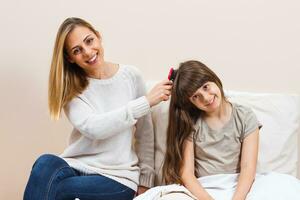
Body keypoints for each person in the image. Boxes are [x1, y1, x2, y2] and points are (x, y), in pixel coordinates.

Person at [23, 17, 172, 200]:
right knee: (45, 163)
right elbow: (94, 128)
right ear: (70, 58)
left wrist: (145, 182)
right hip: (77, 166)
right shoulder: (72, 90)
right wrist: (145, 102)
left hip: (117, 177)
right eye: (77, 50)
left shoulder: (131, 76)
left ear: (98, 37)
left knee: (59, 188)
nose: (87, 52)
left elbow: (145, 134)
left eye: (89, 41)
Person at [162, 60, 261, 200]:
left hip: (239, 186)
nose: (206, 98)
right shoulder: (192, 124)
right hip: (205, 189)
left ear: (213, 78)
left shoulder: (245, 117)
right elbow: (187, 173)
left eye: (206, 87)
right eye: (196, 96)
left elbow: (248, 168)